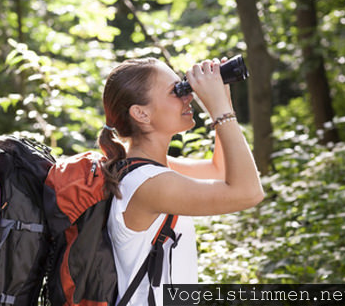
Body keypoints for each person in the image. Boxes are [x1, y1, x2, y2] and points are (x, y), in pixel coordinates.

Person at [99, 57, 264, 305]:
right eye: (175, 91)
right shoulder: (147, 183)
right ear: (141, 113)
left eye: (183, 87)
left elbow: (220, 170)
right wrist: (220, 111)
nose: (187, 97)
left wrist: (223, 99)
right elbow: (249, 193)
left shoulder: (146, 169)